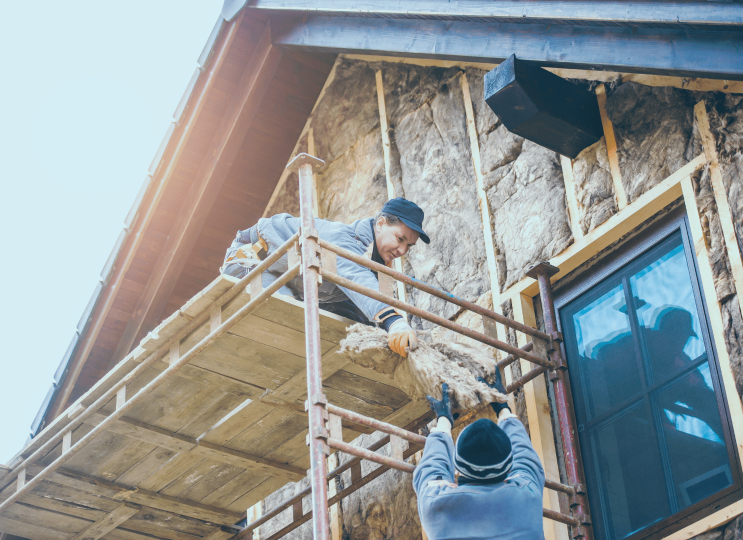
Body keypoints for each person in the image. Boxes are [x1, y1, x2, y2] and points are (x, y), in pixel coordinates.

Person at [220, 197, 430, 357]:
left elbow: (362, 309)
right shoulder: (346, 240)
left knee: (349, 328)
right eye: (400, 239)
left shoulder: (378, 268)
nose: (402, 250)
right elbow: (355, 277)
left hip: (290, 281)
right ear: (381, 223)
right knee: (287, 319)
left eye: (408, 246)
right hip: (252, 260)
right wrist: (394, 321)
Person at [413, 367, 545, 540]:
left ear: (457, 469)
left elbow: (432, 467)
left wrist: (444, 418)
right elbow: (525, 456)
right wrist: (503, 407)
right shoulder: (527, 495)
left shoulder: (434, 504)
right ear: (508, 469)